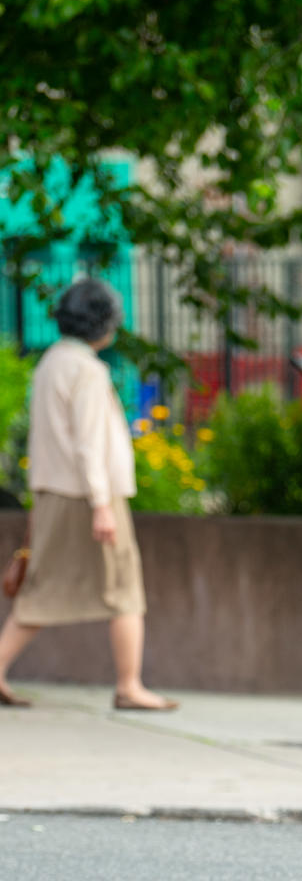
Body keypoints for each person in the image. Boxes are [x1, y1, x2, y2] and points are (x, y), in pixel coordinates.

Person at [0, 278, 176, 711]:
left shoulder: (50, 363)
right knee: (124, 588)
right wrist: (102, 505)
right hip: (90, 494)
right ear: (103, 322)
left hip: (52, 492)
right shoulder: (88, 370)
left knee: (39, 591)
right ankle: (129, 685)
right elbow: (89, 442)